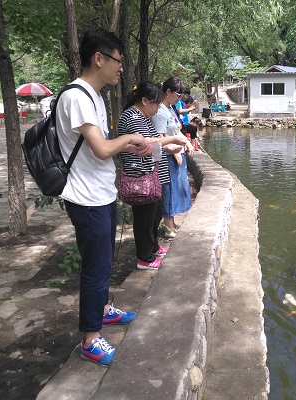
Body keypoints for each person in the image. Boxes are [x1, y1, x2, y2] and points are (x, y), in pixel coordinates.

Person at [56, 27, 151, 367]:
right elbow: (100, 150)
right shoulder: (77, 96)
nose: (121, 68)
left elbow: (103, 147)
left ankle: (104, 310)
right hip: (85, 198)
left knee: (105, 260)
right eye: (117, 61)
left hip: (101, 194)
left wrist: (130, 141)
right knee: (95, 268)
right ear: (99, 58)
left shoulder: (95, 96)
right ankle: (90, 339)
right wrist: (129, 139)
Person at [118, 82, 188, 270]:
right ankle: (145, 258)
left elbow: (153, 143)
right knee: (144, 218)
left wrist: (167, 146)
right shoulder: (132, 117)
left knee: (154, 212)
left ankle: (153, 246)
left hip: (150, 174)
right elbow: (144, 142)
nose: (157, 109)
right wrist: (172, 139)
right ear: (144, 100)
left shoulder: (142, 116)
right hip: (139, 176)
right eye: (156, 104)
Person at [151, 77, 194, 238]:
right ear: (168, 91)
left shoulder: (170, 109)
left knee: (177, 189)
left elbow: (176, 130)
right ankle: (168, 226)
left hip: (177, 153)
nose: (180, 98)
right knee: (169, 189)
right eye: (178, 94)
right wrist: (174, 151)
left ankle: (172, 221)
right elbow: (158, 137)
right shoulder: (160, 112)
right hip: (167, 157)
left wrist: (186, 143)